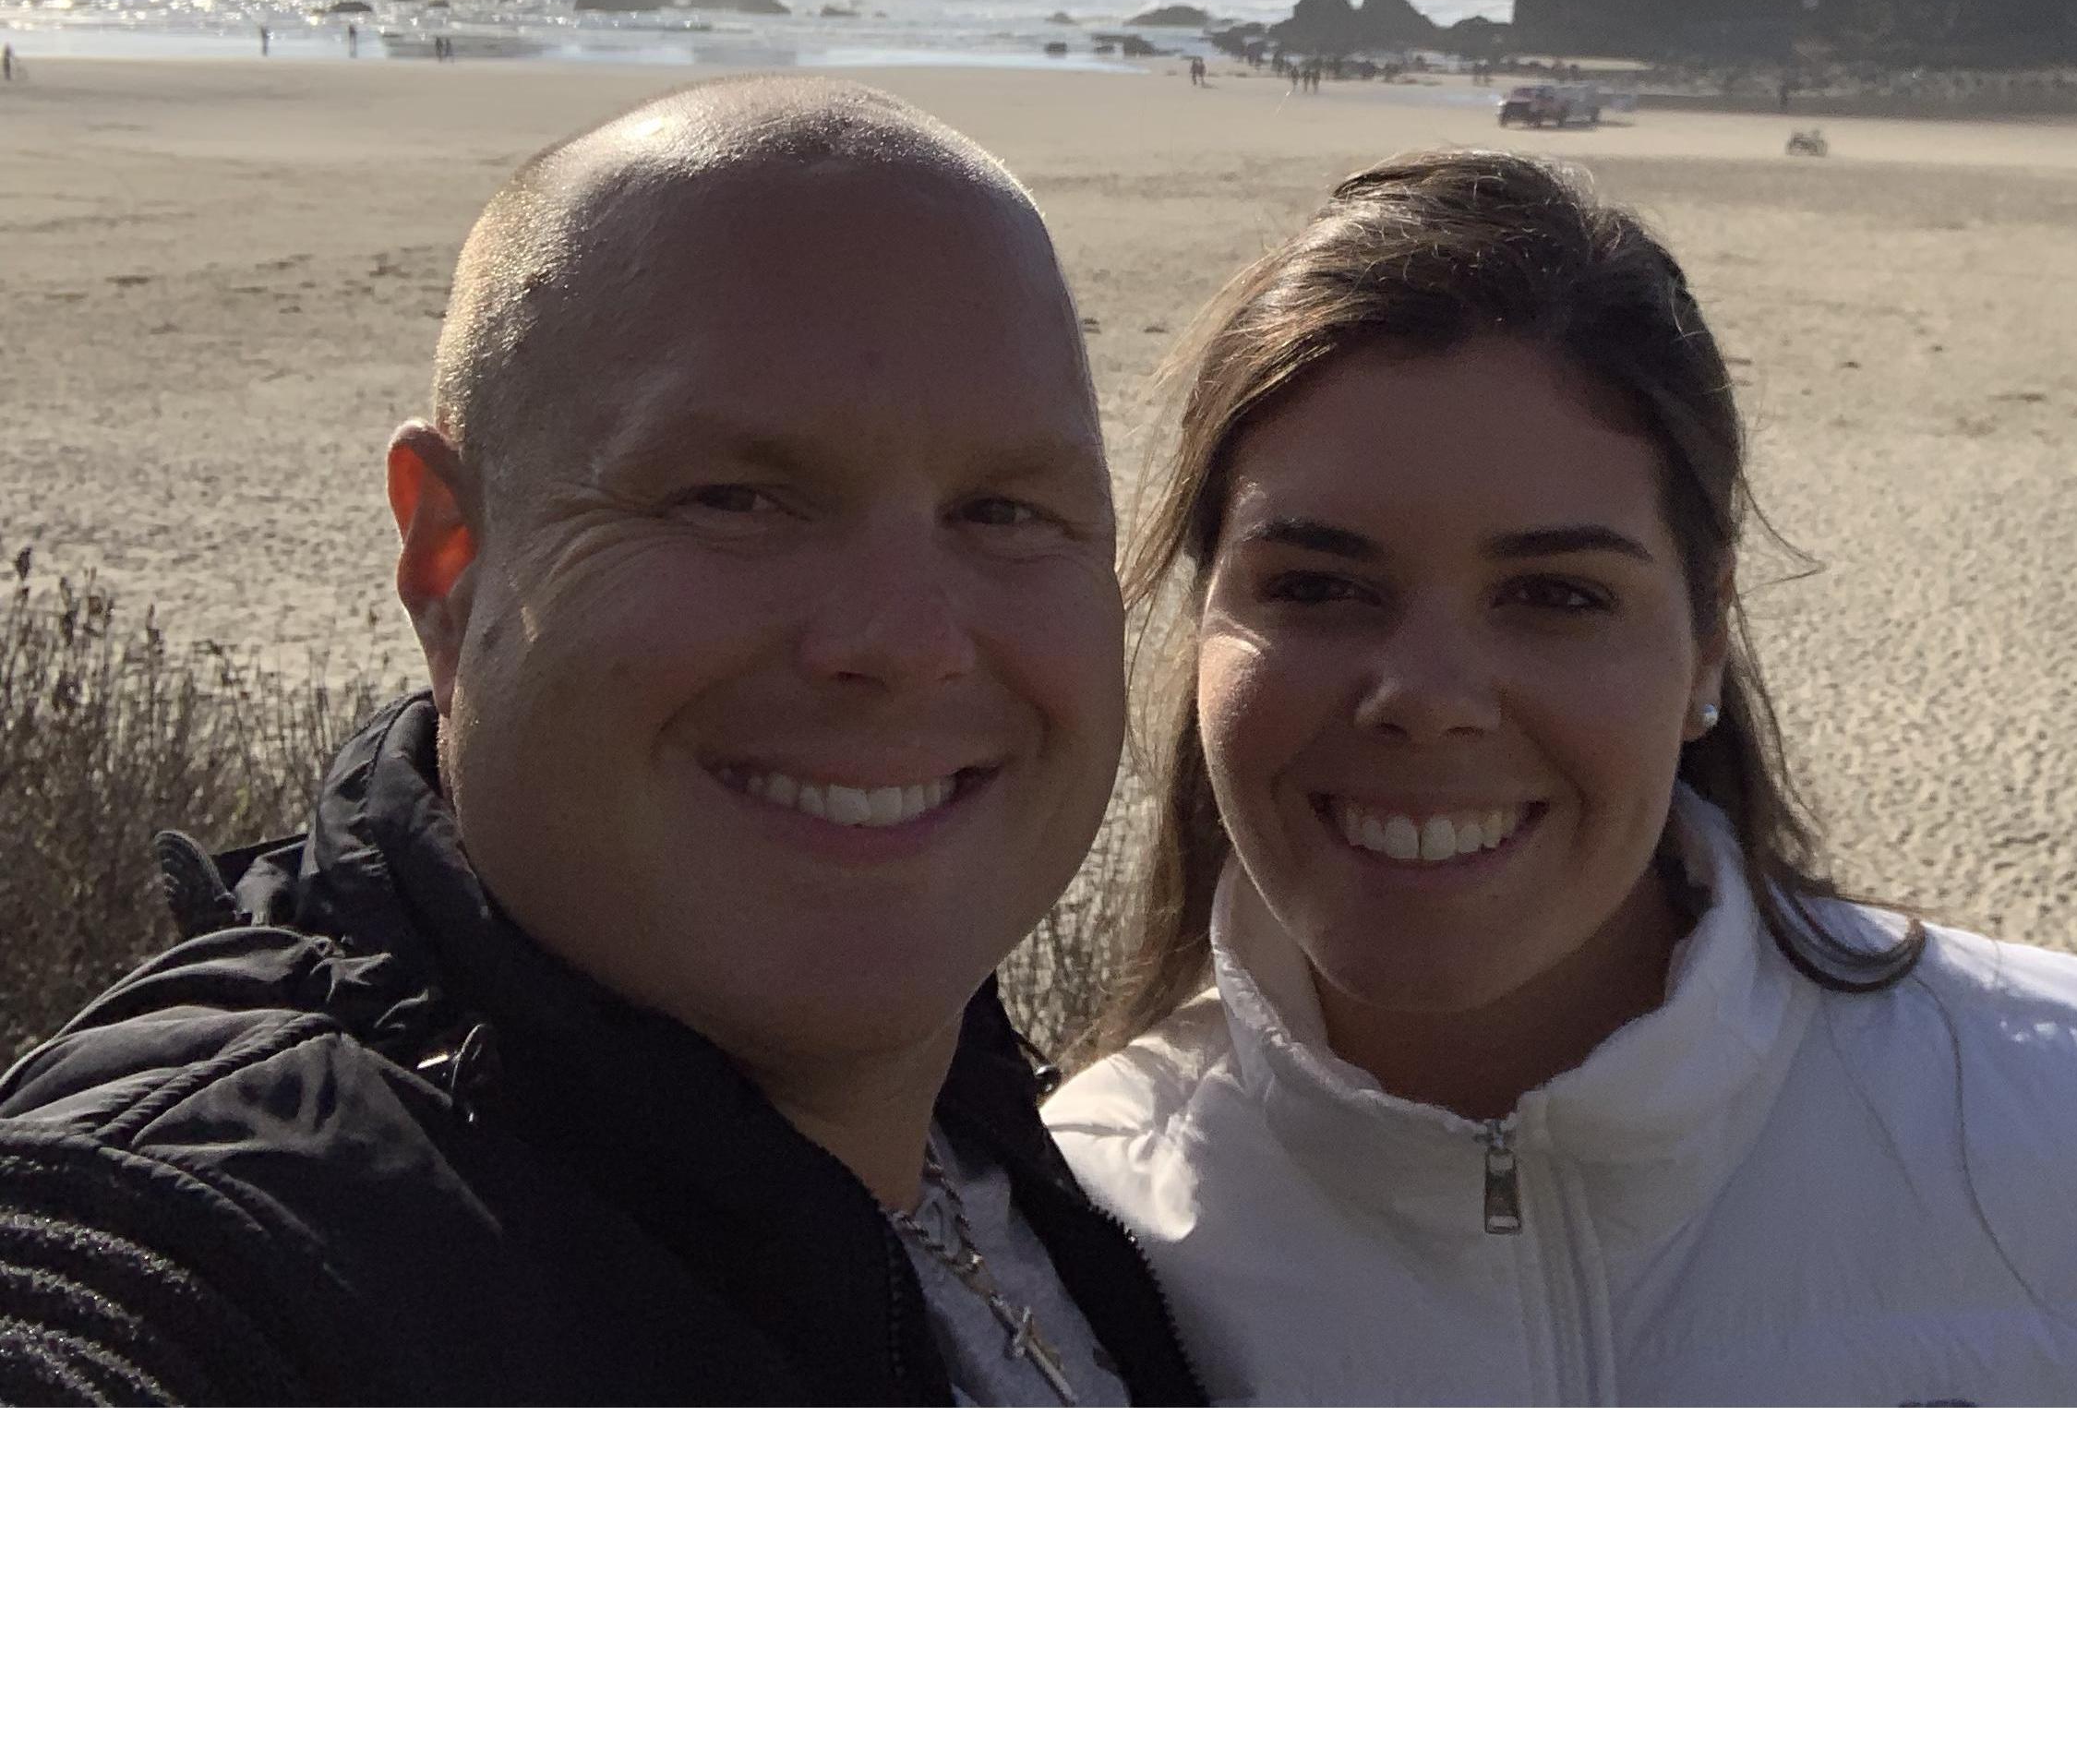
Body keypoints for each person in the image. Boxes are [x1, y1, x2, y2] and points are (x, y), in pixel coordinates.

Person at [1048, 150, 2077, 1404]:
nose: (1428, 699)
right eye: (1318, 587)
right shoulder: (1065, 1247)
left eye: (1556, 596)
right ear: (1199, 624)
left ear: (1705, 642)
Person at [0, 78, 1202, 1406]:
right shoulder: (208, 1242)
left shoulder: (1020, 1155)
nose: (907, 641)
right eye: (735, 498)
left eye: (1005, 512)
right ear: (449, 557)